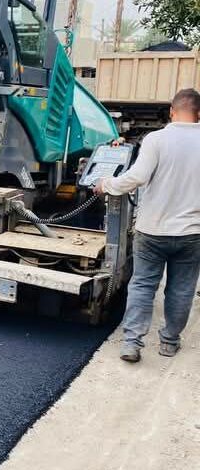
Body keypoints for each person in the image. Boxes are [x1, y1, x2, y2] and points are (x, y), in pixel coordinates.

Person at [94, 88, 200, 363]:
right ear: (199, 114)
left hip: (152, 229)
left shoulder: (156, 139)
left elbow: (137, 177)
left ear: (172, 111)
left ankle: (131, 344)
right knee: (182, 289)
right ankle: (169, 342)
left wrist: (107, 184)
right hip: (192, 233)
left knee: (142, 285)